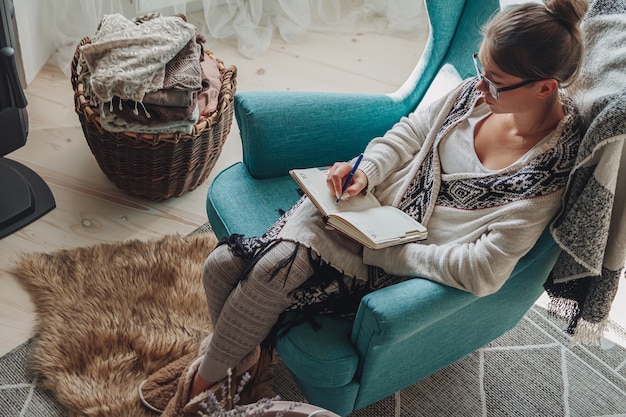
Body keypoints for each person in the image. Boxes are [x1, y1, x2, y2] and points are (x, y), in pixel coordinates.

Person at [139, 0, 589, 415]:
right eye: (479, 66)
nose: (480, 85)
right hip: (364, 209)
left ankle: (203, 383)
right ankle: (240, 366)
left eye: (495, 81)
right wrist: (365, 170)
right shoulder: (473, 94)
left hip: (394, 258)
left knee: (268, 272)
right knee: (219, 266)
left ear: (544, 87)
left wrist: (383, 252)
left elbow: (484, 270)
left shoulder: (544, 178)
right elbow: (409, 133)